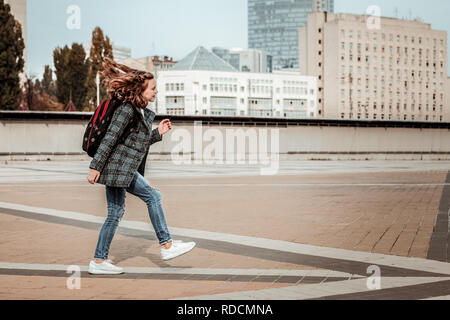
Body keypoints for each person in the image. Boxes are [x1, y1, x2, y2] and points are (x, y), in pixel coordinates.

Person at [86, 58, 195, 275]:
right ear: (141, 89)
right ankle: (167, 245)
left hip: (121, 169)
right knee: (153, 197)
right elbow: (110, 138)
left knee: (115, 213)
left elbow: (136, 144)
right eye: (153, 88)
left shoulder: (138, 111)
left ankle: (98, 261)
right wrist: (95, 166)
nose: (156, 92)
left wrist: (157, 134)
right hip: (118, 169)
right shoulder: (127, 110)